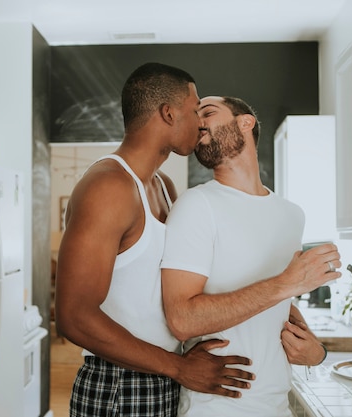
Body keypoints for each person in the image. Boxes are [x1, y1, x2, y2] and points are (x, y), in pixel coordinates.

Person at [54, 64, 256, 417]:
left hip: (162, 377)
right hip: (119, 384)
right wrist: (178, 368)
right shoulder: (109, 187)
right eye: (196, 111)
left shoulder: (164, 187)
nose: (202, 123)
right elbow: (73, 316)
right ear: (168, 113)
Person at [160, 96, 342, 417]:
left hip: (276, 404)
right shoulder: (195, 206)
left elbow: (275, 304)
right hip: (215, 408)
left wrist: (315, 350)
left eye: (209, 112)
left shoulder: (291, 215)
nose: (199, 122)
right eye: (195, 117)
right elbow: (182, 321)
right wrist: (286, 284)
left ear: (246, 122)